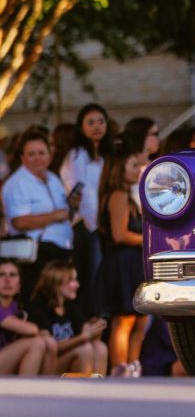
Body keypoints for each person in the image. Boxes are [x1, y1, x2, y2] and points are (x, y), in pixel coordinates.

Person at [2, 128, 77, 298]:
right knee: (42, 300)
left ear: (50, 155)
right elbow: (18, 222)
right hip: (37, 255)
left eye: (42, 153)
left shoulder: (53, 178)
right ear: (22, 157)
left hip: (60, 252)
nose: (37, 158)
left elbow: (63, 211)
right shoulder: (17, 183)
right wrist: (54, 216)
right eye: (31, 154)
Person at [96, 145, 148, 372]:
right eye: (133, 165)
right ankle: (120, 367)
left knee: (141, 318)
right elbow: (120, 234)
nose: (139, 170)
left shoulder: (132, 195)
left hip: (135, 261)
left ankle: (134, 365)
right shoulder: (117, 195)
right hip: (122, 262)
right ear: (119, 168)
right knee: (125, 318)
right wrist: (147, 240)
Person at [59, 104, 112, 319]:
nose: (97, 127)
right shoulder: (77, 155)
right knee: (90, 281)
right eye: (90, 122)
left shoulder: (107, 155)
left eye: (101, 121)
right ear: (81, 128)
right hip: (86, 227)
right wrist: (94, 225)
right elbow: (81, 194)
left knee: (103, 280)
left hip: (104, 227)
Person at [28, 260, 108, 375]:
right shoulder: (38, 309)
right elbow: (48, 348)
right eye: (72, 280)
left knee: (100, 347)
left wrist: (96, 329)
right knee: (84, 350)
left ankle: (98, 390)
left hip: (67, 361)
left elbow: (89, 338)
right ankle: (82, 391)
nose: (77, 285)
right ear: (56, 282)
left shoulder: (70, 307)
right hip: (47, 366)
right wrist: (83, 337)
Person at [0, 259, 54, 375]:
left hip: (6, 361)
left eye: (12, 275)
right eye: (1, 275)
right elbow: (31, 330)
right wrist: (39, 333)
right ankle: (25, 391)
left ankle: (48, 390)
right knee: (37, 342)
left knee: (49, 342)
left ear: (19, 285)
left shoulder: (16, 307)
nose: (7, 280)